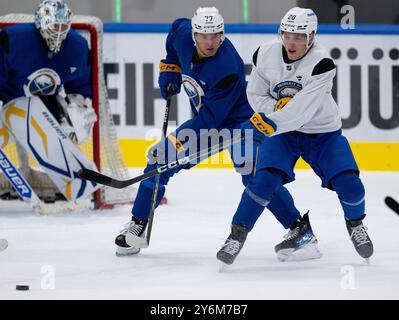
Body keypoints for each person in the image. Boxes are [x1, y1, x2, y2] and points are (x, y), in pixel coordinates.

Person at [115, 7, 319, 258]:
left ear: (222, 34)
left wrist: (175, 140)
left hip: (239, 123)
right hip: (207, 119)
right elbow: (175, 27)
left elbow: (210, 122)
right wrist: (170, 66)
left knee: (253, 175)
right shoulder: (183, 33)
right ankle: (139, 223)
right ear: (194, 34)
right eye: (203, 35)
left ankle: (300, 229)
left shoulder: (227, 66)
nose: (209, 42)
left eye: (215, 36)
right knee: (160, 161)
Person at [217, 7, 373, 264]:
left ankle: (355, 224)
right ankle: (237, 234)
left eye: (299, 37)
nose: (291, 41)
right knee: (263, 181)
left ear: (311, 37)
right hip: (284, 135)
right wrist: (271, 111)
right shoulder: (264, 53)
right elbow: (256, 95)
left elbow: (301, 112)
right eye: (287, 35)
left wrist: (272, 121)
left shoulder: (322, 64)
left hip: (322, 133)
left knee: (351, 186)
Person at [0, 0, 97, 202]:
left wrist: (79, 109)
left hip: (44, 104)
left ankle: (75, 182)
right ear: (41, 23)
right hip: (7, 100)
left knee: (64, 134)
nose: (58, 32)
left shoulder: (77, 46)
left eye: (63, 27)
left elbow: (80, 86)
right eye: (54, 26)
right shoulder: (14, 40)